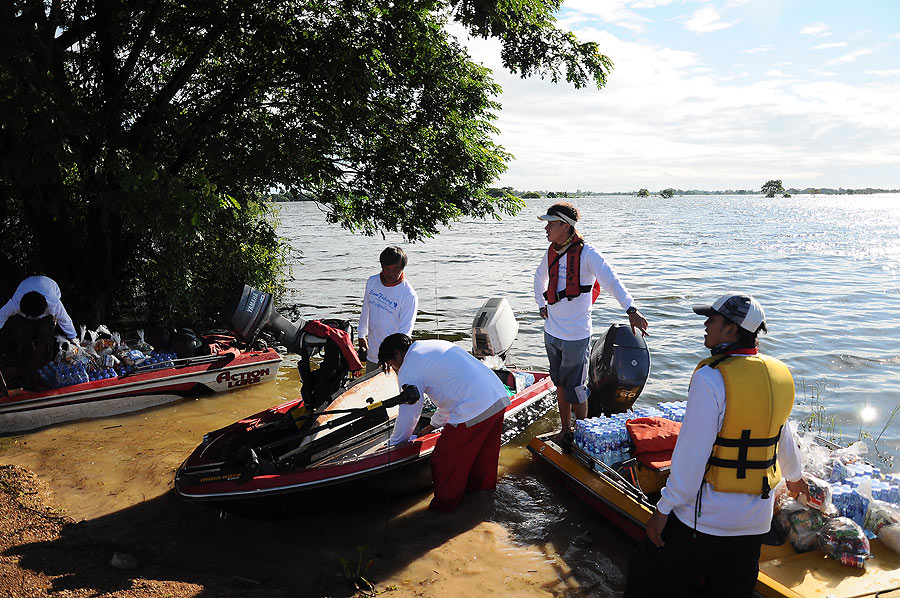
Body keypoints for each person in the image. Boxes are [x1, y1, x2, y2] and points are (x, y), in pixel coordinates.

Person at [624, 292, 810, 598]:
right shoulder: (778, 374)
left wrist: (663, 509)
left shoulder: (711, 377)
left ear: (731, 330)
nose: (706, 325)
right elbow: (782, 435)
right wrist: (794, 478)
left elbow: (692, 456)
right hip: (754, 523)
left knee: (645, 576)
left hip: (706, 520)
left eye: (712, 319)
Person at [533, 202, 648, 442]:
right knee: (560, 384)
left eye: (551, 224)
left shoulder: (588, 254)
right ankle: (566, 429)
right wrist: (540, 304)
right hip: (552, 331)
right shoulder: (551, 252)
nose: (546, 229)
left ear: (565, 226)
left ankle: (584, 432)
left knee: (576, 387)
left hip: (576, 334)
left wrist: (631, 309)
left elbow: (611, 280)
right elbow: (539, 277)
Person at [378, 333, 510, 512]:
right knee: (483, 460)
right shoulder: (431, 346)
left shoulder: (408, 367)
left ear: (398, 354)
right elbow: (448, 398)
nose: (394, 369)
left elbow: (410, 413)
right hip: (497, 397)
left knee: (444, 459)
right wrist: (432, 426)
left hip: (474, 406)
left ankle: (444, 510)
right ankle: (482, 504)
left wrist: (394, 444)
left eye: (391, 364)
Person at [0, 276, 77, 388]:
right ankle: (30, 364)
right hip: (24, 308)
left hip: (48, 296)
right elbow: (1, 317)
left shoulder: (53, 304)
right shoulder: (15, 303)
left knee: (45, 335)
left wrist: (74, 340)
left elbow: (65, 321)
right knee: (22, 334)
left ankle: (38, 366)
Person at [358, 246, 418, 374]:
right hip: (373, 352)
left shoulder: (408, 294)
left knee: (393, 392)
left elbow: (405, 332)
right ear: (382, 266)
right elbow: (366, 309)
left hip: (393, 358)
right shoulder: (372, 282)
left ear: (402, 268)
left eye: (396, 268)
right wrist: (361, 334)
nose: (391, 273)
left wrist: (390, 357)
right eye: (387, 269)